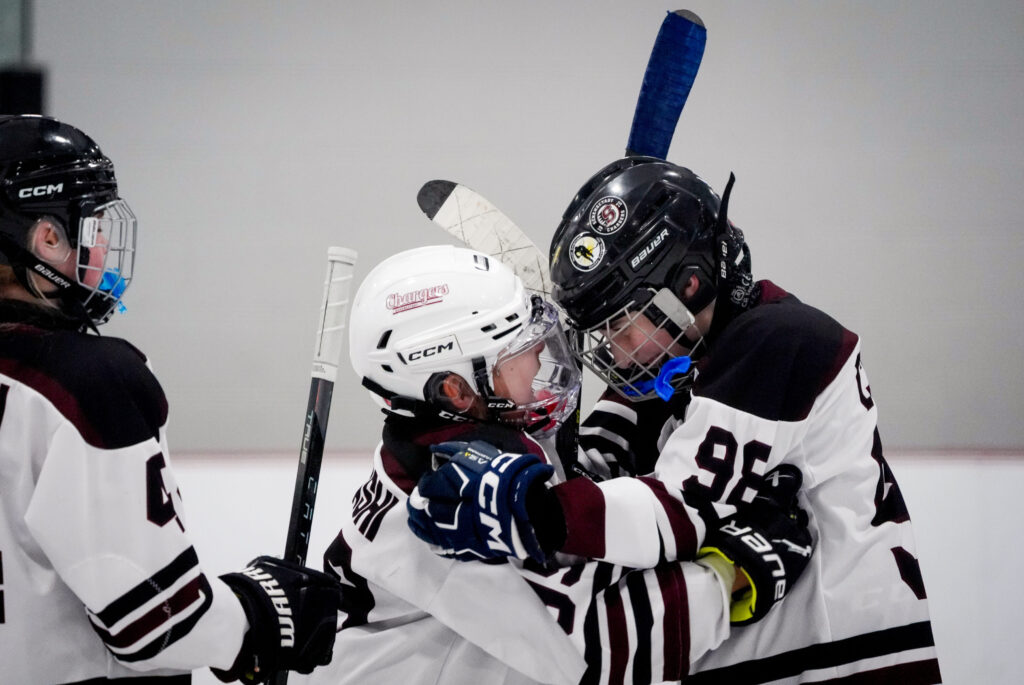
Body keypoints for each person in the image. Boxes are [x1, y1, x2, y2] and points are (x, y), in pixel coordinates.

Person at [408, 157, 942, 683]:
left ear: (689, 285)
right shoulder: (683, 364)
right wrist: (543, 439)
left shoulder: (781, 342)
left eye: (621, 325)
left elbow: (673, 510)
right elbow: (599, 467)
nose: (614, 354)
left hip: (844, 657)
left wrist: (535, 509)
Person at [303, 244, 812, 685]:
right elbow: (607, 650)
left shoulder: (467, 437)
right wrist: (736, 573)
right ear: (456, 390)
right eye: (519, 353)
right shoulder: (452, 498)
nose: (543, 361)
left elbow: (573, 491)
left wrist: (647, 410)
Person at [0, 115, 345, 684]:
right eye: (89, 222)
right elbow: (152, 623)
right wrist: (260, 614)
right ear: (46, 238)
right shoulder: (87, 383)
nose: (103, 242)